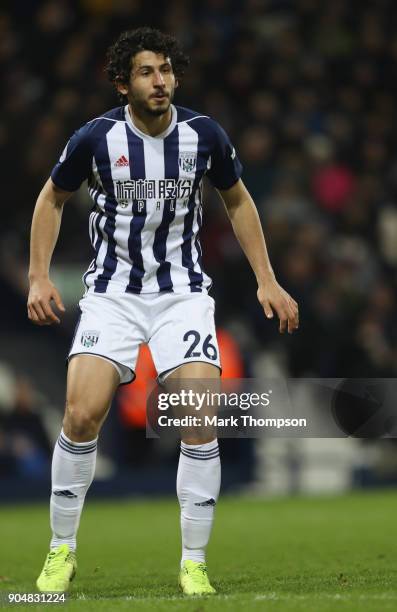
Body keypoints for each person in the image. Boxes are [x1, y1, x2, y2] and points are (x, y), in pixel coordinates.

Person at [28, 27, 299, 596]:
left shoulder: (203, 135)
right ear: (123, 83)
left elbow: (238, 199)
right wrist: (37, 275)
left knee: (198, 418)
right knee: (81, 413)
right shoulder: (96, 138)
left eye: (168, 71)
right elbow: (52, 198)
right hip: (112, 296)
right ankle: (60, 551)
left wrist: (267, 281)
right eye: (149, 73)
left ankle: (194, 562)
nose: (162, 81)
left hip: (183, 297)